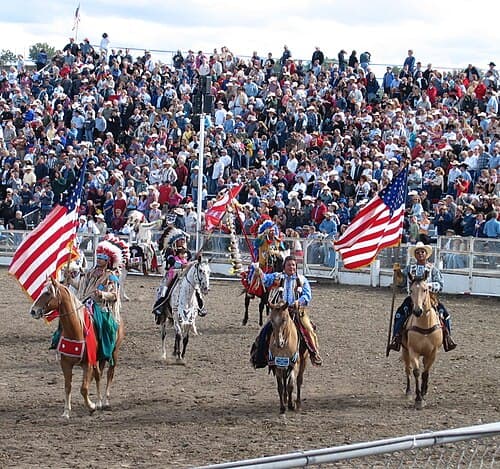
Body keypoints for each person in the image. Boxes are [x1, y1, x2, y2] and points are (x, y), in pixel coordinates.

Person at [54, 240, 123, 360]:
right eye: (99, 257)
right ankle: (59, 342)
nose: (99, 259)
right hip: (83, 302)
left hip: (99, 305)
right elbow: (81, 287)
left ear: (108, 261)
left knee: (104, 324)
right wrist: (70, 280)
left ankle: (103, 347)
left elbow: (114, 295)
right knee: (66, 317)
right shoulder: (90, 272)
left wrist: (102, 294)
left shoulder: (111, 276)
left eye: (102, 258)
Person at [250, 255, 323, 368]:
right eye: (289, 265)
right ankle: (259, 357)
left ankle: (314, 353)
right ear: (284, 267)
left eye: (293, 265)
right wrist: (259, 272)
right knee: (265, 331)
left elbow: (307, 295)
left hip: (296, 312)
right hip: (279, 312)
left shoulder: (302, 280)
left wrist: (298, 302)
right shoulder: (277, 277)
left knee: (308, 331)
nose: (291, 267)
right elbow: (265, 279)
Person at [387, 242, 457, 354]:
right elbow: (401, 282)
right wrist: (398, 273)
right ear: (415, 255)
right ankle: (396, 338)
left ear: (426, 254)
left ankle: (448, 338)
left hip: (430, 299)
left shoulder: (432, 269)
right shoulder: (410, 268)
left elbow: (440, 284)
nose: (420, 254)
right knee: (399, 315)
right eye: (418, 252)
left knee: (445, 314)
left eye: (422, 252)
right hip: (412, 298)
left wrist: (427, 286)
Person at [152, 225, 205, 324]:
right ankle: (160, 306)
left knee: (196, 288)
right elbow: (172, 262)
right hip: (172, 274)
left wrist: (196, 257)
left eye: (183, 239)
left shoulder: (187, 252)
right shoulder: (169, 251)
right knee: (166, 289)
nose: (183, 241)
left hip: (185, 274)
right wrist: (184, 265)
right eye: (180, 239)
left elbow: (190, 260)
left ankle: (200, 306)